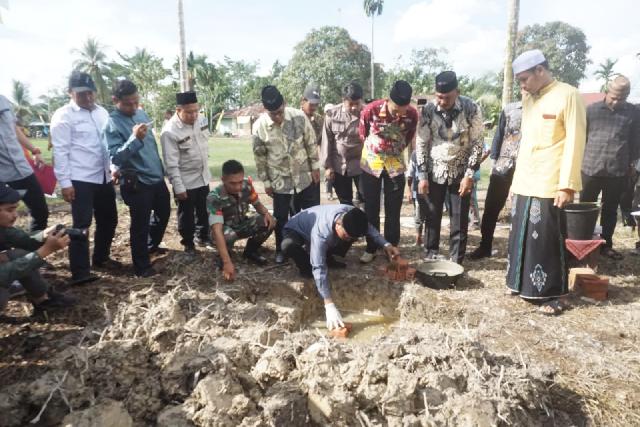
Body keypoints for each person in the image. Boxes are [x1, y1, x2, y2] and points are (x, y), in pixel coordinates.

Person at [506, 49, 586, 315]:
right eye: (519, 80)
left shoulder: (569, 95)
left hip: (550, 181)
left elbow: (575, 141)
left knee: (547, 240)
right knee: (522, 237)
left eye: (524, 78)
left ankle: (555, 294)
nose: (522, 85)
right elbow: (527, 143)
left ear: (541, 70)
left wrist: (567, 184)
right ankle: (521, 285)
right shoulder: (530, 99)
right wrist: (513, 184)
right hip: (525, 179)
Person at [281, 204, 400, 330]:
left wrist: (387, 245)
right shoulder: (322, 232)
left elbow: (370, 230)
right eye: (347, 235)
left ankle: (328, 257)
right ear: (338, 224)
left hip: (324, 231)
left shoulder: (352, 215)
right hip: (295, 230)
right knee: (289, 246)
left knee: (343, 239)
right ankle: (306, 268)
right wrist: (328, 304)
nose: (349, 239)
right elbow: (319, 267)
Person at [50, 71, 120, 285]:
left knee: (109, 219)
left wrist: (114, 167)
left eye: (91, 93)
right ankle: (80, 272)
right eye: (82, 94)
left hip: (103, 176)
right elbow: (60, 151)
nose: (88, 98)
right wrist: (65, 183)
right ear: (70, 93)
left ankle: (101, 257)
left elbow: (109, 145)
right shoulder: (63, 116)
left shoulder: (102, 113)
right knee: (82, 225)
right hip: (80, 178)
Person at [416, 71, 484, 264]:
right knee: (432, 214)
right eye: (438, 97)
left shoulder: (471, 108)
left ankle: (456, 260)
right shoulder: (428, 110)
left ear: (457, 92)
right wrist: (422, 175)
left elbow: (477, 143)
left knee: (459, 217)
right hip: (434, 168)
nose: (442, 101)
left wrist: (470, 174)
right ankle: (431, 255)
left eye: (447, 97)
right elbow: (421, 143)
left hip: (461, 169)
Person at [104, 80, 171, 277]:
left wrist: (161, 169)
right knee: (139, 225)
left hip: (156, 177)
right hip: (137, 182)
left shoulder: (141, 114)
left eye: (136, 102)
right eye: (128, 104)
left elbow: (151, 145)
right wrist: (134, 139)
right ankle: (141, 266)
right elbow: (116, 157)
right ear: (115, 100)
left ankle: (150, 246)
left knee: (164, 213)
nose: (133, 107)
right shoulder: (112, 123)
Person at [252, 85, 320, 264]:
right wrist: (266, 182)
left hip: (303, 176)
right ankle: (282, 250)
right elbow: (260, 157)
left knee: (308, 214)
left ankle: (309, 246)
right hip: (279, 180)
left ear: (285, 103)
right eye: (273, 114)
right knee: (281, 217)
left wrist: (315, 168)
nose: (278, 117)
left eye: (280, 112)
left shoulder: (299, 117)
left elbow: (311, 143)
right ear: (265, 110)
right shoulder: (259, 126)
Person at [580, 75, 640, 260]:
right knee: (585, 207)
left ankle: (606, 245)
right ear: (607, 92)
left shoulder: (633, 112)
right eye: (613, 97)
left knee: (610, 209)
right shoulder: (591, 110)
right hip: (590, 167)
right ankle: (581, 244)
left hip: (617, 170)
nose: (616, 101)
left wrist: (633, 164)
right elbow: (582, 138)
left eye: (621, 99)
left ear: (627, 96)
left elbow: (636, 141)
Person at [359, 80, 418, 263]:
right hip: (372, 163)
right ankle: (372, 247)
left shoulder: (413, 114)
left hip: (395, 164)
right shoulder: (371, 109)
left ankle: (392, 246)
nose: (400, 114)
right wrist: (378, 149)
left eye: (403, 110)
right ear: (388, 100)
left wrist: (394, 150)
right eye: (396, 110)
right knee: (371, 209)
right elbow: (363, 133)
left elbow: (408, 138)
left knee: (394, 210)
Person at [0, 184, 76, 318]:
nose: (15, 215)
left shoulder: (3, 228)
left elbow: (25, 241)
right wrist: (45, 250)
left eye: (15, 209)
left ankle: (43, 300)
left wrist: (45, 234)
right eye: (10, 210)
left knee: (18, 255)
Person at [469, 99, 523, 259]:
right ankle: (485, 246)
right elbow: (499, 135)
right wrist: (494, 161)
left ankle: (519, 251)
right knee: (491, 208)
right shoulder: (510, 109)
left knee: (521, 210)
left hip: (528, 166)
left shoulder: (542, 108)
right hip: (503, 165)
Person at [161, 91, 212, 258]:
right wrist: (178, 186)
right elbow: (171, 163)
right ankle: (188, 243)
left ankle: (203, 237)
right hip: (185, 181)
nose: (194, 115)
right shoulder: (170, 131)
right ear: (178, 110)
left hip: (203, 175)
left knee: (204, 210)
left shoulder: (201, 120)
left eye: (196, 110)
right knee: (187, 215)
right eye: (189, 112)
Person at [207, 160, 276, 281]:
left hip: (241, 224)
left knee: (269, 221)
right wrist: (227, 262)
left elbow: (257, 204)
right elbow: (217, 230)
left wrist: (266, 213)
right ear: (223, 179)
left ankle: (250, 251)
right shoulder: (214, 197)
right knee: (228, 235)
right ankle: (224, 256)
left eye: (240, 182)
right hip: (224, 231)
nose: (238, 187)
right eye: (232, 183)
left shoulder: (247, 186)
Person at [0, 94, 49, 232]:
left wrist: (34, 150)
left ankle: (33, 251)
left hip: (22, 169)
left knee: (40, 212)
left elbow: (14, 129)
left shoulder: (3, 100)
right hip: (2, 176)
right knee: (3, 220)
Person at [321, 81, 365, 206]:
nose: (354, 107)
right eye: (350, 104)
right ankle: (348, 225)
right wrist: (328, 166)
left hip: (361, 164)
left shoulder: (367, 114)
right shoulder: (332, 114)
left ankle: (365, 225)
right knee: (345, 203)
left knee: (367, 200)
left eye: (357, 104)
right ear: (343, 100)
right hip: (339, 165)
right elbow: (326, 142)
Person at [407, 150, 427, 245]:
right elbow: (410, 174)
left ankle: (428, 238)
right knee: (418, 215)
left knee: (431, 215)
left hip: (434, 190)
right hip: (418, 190)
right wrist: (409, 190)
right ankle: (418, 236)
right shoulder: (415, 154)